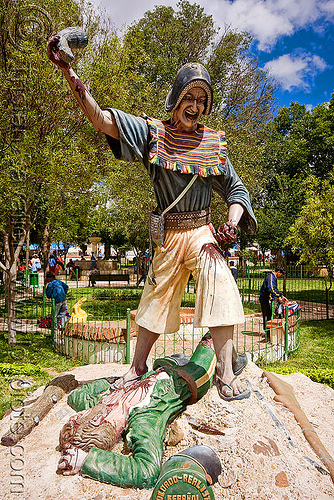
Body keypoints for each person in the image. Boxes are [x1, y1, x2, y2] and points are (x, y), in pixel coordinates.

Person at [47, 40, 257, 401]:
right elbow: (101, 119)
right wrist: (69, 72)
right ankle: (137, 366)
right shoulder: (152, 134)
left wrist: (232, 223)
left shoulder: (213, 145)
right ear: (176, 99)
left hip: (202, 232)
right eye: (189, 98)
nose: (195, 107)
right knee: (155, 298)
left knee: (219, 277)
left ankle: (224, 371)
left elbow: (237, 190)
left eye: (201, 100)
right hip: (168, 234)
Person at [259, 266, 286, 341]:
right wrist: (278, 296)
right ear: (278, 272)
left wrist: (280, 295)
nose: (280, 276)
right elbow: (271, 288)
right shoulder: (271, 277)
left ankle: (268, 333)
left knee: (269, 315)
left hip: (268, 300)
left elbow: (275, 289)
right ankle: (267, 334)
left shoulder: (273, 277)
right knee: (267, 316)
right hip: (265, 300)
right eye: (281, 275)